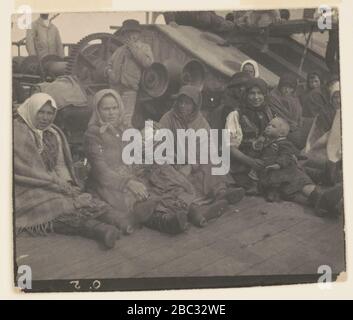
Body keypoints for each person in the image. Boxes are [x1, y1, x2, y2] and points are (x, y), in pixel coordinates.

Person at [14, 93, 121, 249]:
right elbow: (28, 171)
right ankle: (97, 229)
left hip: (51, 182)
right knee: (54, 205)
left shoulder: (53, 133)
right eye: (41, 112)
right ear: (31, 110)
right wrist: (57, 186)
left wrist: (68, 186)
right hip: (24, 186)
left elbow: (60, 166)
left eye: (49, 113)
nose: (45, 118)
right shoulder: (18, 132)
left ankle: (117, 219)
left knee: (78, 198)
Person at [84, 89, 192, 235]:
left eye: (114, 108)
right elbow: (101, 171)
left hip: (130, 174)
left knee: (158, 185)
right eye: (106, 109)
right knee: (132, 199)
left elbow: (138, 154)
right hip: (106, 183)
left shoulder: (124, 128)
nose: (111, 113)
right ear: (97, 111)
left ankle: (182, 213)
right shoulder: (93, 134)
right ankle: (164, 221)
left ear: (120, 108)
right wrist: (128, 182)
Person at [159, 85, 245, 227]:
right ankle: (201, 207)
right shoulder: (168, 118)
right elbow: (159, 141)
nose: (182, 106)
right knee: (173, 181)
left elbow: (207, 146)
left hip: (196, 162)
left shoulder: (200, 121)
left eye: (187, 103)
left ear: (195, 105)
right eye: (180, 102)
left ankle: (221, 194)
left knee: (212, 162)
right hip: (176, 162)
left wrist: (192, 164)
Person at [254, 117, 342, 217]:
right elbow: (268, 153)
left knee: (301, 176)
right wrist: (258, 145)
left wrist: (280, 163)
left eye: (273, 126)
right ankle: (321, 197)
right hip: (275, 176)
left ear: (281, 134)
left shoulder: (282, 144)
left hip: (278, 172)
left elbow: (287, 153)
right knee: (299, 179)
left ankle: (324, 190)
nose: (268, 127)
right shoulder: (269, 142)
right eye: (268, 125)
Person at [225, 78, 274, 194]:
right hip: (242, 160)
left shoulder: (268, 112)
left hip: (264, 157)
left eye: (260, 93)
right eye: (252, 93)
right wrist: (250, 161)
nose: (256, 97)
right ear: (246, 94)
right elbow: (230, 147)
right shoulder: (236, 115)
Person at [105, 19, 154, 128]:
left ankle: (127, 142)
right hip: (115, 88)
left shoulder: (144, 47)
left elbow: (148, 63)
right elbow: (108, 64)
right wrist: (109, 72)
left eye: (133, 32)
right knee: (114, 118)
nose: (130, 35)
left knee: (125, 120)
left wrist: (133, 48)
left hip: (129, 88)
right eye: (127, 33)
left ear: (138, 34)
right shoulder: (119, 50)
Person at [268, 73, 307, 149]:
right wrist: (292, 125)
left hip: (295, 127)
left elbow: (299, 115)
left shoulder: (294, 98)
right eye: (284, 87)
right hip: (279, 127)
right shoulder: (273, 97)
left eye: (290, 88)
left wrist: (297, 125)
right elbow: (278, 115)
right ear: (280, 86)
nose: (287, 90)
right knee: (297, 141)